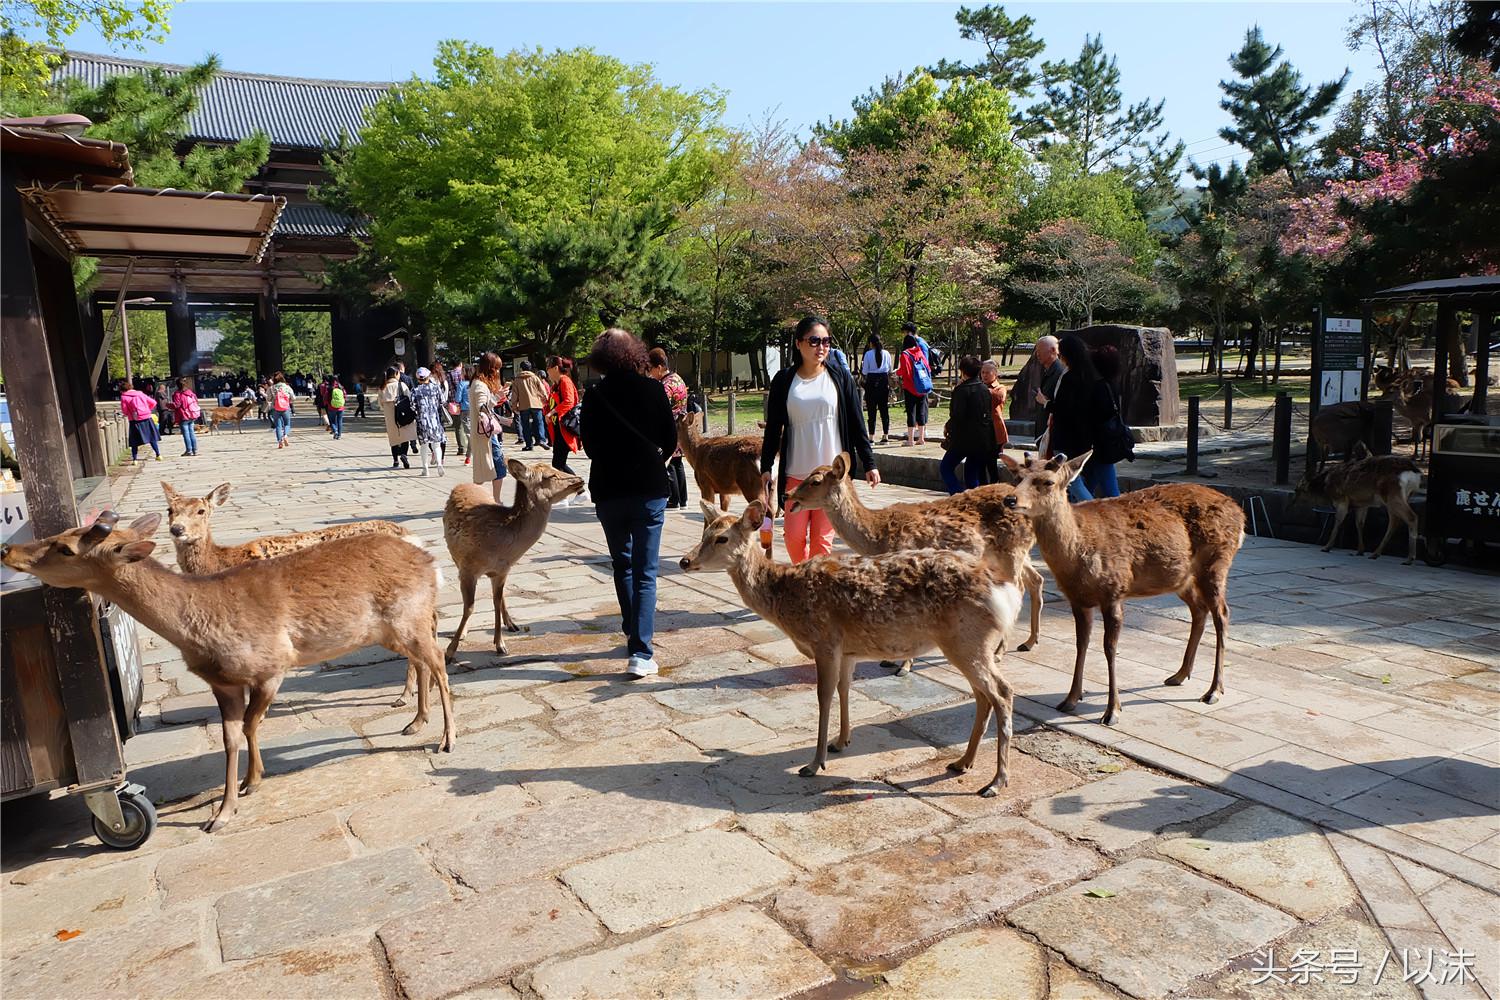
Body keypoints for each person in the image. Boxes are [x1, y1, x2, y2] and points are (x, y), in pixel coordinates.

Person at [580, 328, 679, 678]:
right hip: (648, 488)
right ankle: (640, 650)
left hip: (609, 490)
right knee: (645, 571)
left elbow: (589, 447)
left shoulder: (593, 396)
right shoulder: (652, 389)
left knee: (622, 565)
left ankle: (631, 630)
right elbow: (670, 440)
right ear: (634, 353)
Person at [761, 316, 880, 563]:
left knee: (822, 541)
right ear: (799, 344)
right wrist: (766, 466)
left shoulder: (840, 378)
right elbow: (773, 428)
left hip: (831, 478)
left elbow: (857, 422)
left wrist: (870, 463)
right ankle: (804, 576)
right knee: (793, 537)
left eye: (826, 341)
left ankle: (813, 592)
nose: (821, 347)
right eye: (814, 341)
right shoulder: (784, 381)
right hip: (797, 474)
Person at [1045, 335, 1114, 502]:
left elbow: (1063, 409)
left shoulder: (1070, 378)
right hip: (1086, 437)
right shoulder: (1092, 377)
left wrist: (1046, 404)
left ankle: (1091, 511)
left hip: (1068, 438)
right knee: (1088, 480)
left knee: (1071, 480)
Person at [940, 356, 996, 494]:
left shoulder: (961, 390)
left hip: (963, 439)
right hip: (982, 438)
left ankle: (957, 494)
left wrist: (948, 428)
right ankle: (973, 500)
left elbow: (957, 416)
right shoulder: (984, 389)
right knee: (971, 474)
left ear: (963, 371)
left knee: (946, 468)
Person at [647, 347, 690, 508]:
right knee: (677, 463)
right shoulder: (678, 378)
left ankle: (673, 499)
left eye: (650, 369)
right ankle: (683, 499)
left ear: (659, 367)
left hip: (670, 428)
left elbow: (659, 406)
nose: (650, 373)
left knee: (670, 464)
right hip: (681, 427)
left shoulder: (666, 384)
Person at [469, 352, 511, 502]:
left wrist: (504, 420)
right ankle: (495, 501)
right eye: (497, 368)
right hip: (486, 435)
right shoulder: (480, 385)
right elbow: (483, 409)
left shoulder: (477, 383)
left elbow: (486, 412)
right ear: (490, 368)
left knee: (486, 469)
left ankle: (478, 499)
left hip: (486, 434)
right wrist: (497, 396)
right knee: (498, 467)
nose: (498, 372)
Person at [1086, 345, 1126, 498]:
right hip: (1107, 440)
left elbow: (1097, 414)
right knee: (1092, 479)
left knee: (1108, 487)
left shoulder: (1098, 388)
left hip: (1100, 442)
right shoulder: (1111, 385)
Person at [546, 356, 581, 483]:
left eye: (548, 367)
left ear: (555, 368)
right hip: (558, 428)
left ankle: (579, 490)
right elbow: (551, 403)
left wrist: (551, 413)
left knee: (558, 463)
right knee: (558, 463)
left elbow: (569, 401)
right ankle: (577, 491)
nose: (547, 371)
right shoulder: (555, 385)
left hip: (564, 428)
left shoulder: (565, 381)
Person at [895, 332, 932, 447]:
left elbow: (905, 371)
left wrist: (897, 372)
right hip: (922, 387)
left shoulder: (905, 354)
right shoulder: (920, 352)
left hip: (910, 387)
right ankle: (921, 438)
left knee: (911, 412)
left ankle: (910, 440)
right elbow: (928, 368)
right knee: (921, 411)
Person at [378, 366, 417, 469]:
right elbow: (409, 398)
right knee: (405, 436)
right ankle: (404, 454)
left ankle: (395, 460)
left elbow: (380, 403)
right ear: (396, 374)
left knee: (394, 438)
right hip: (403, 414)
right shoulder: (401, 385)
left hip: (390, 416)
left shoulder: (383, 387)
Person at [413, 366, 447, 477]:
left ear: (418, 378)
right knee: (436, 444)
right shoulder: (436, 388)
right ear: (428, 377)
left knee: (424, 445)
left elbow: (412, 406)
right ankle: (439, 465)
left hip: (422, 421)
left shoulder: (415, 391)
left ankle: (425, 468)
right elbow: (442, 401)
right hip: (434, 419)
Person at [980, 359, 1010, 483]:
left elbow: (997, 398)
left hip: (994, 431)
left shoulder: (1000, 388)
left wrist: (980, 390)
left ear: (995, 374)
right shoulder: (979, 386)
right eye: (982, 372)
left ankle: (994, 486)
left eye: (988, 372)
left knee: (991, 463)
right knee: (980, 464)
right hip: (981, 430)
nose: (984, 375)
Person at [511, 360, 550, 451]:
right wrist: (545, 399)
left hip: (523, 405)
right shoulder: (535, 378)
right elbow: (542, 389)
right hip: (536, 404)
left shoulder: (517, 379)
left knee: (525, 425)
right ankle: (541, 440)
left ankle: (529, 444)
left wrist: (514, 405)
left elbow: (514, 394)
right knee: (539, 422)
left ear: (521, 369)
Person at [860, 334, 892, 443]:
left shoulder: (868, 354)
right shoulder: (887, 353)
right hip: (883, 381)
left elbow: (864, 371)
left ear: (871, 343)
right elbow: (889, 369)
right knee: (884, 410)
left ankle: (871, 437)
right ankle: (885, 435)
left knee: (871, 411)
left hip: (871, 382)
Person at [119, 379, 160, 462]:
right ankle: (158, 455)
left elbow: (125, 411)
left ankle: (135, 459)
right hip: (147, 418)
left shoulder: (124, 397)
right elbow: (153, 402)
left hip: (134, 420)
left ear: (122, 390)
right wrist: (147, 409)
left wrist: (130, 414)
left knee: (134, 441)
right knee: (152, 438)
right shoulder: (140, 394)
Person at [1029, 335, 1065, 413]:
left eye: (1040, 350)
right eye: (1036, 351)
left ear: (1053, 350)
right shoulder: (1047, 371)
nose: (1037, 354)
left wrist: (1045, 402)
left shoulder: (1060, 373)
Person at [172, 377, 202, 457]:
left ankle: (189, 450)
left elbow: (177, 405)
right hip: (191, 414)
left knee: (186, 434)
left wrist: (169, 405)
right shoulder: (190, 392)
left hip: (183, 415)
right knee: (192, 433)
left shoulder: (177, 394)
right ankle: (195, 450)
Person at [268, 371, 296, 449]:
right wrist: (289, 400)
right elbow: (293, 397)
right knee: (287, 424)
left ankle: (280, 441)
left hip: (275, 408)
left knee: (278, 426)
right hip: (285, 407)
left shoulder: (272, 388)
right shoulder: (287, 387)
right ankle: (285, 436)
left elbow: (268, 398)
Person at [450, 364, 470, 465]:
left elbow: (457, 399)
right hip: (476, 409)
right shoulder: (476, 383)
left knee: (467, 432)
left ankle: (468, 453)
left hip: (465, 409)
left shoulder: (462, 384)